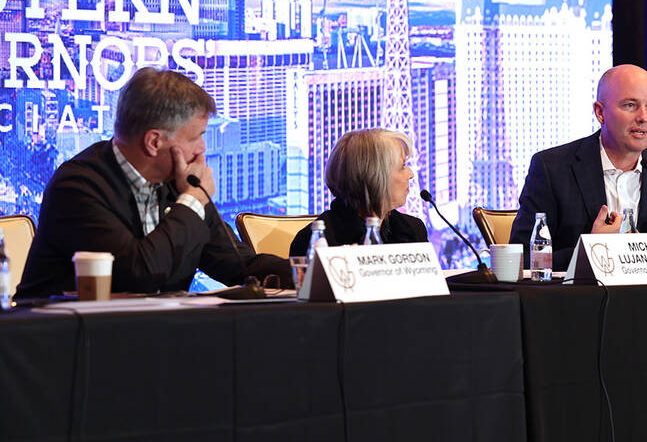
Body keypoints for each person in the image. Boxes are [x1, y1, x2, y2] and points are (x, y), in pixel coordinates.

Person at [16, 67, 291, 299]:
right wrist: (191, 202)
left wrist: (308, 272)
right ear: (154, 142)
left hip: (151, 337)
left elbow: (238, 265)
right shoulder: (78, 187)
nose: (202, 149)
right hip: (60, 341)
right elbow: (139, 275)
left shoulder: (178, 184)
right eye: (195, 137)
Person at [509, 64, 647, 270]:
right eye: (630, 105)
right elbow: (522, 259)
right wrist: (589, 250)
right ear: (600, 112)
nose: (643, 117)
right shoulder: (552, 169)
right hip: (581, 290)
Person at [290, 128, 427, 253]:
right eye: (402, 166)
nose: (411, 174)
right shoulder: (315, 239)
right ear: (373, 177)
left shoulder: (414, 229)